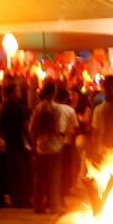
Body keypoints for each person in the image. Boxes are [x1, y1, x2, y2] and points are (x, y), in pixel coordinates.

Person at [28, 80, 66, 215]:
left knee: (39, 178)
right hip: (55, 147)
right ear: (54, 92)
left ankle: (38, 206)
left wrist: (36, 142)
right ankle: (54, 206)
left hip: (41, 147)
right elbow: (61, 129)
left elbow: (31, 128)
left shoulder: (38, 108)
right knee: (54, 178)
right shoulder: (58, 109)